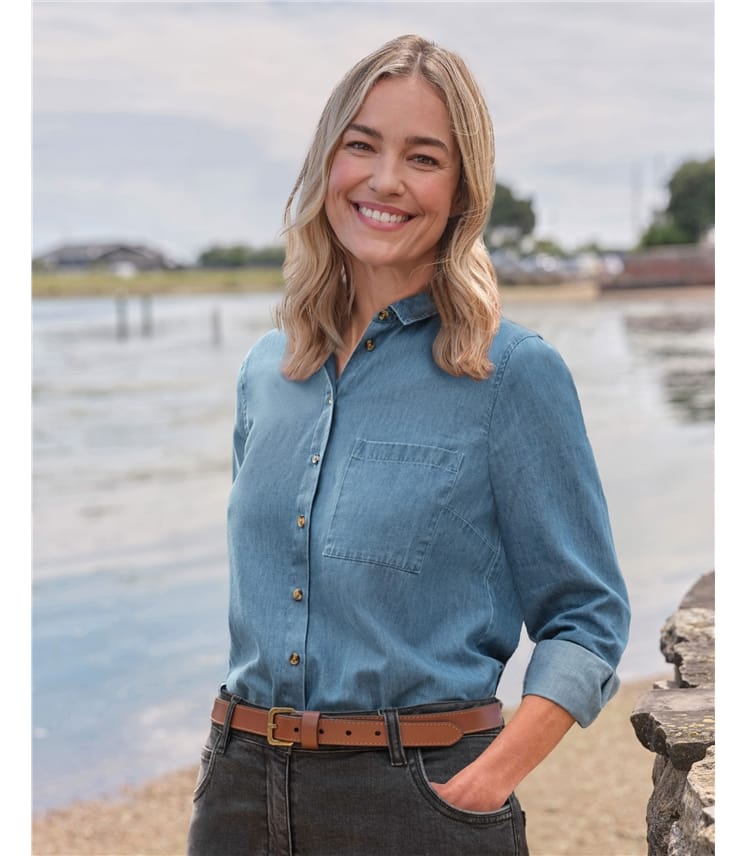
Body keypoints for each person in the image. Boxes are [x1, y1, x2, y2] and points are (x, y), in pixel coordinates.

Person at [187, 33, 630, 856]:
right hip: (238, 793)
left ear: (461, 189)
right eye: (361, 145)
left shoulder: (511, 375)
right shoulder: (265, 371)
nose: (384, 180)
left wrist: (485, 782)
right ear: (328, 162)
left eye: (423, 157)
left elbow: (587, 618)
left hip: (417, 803)